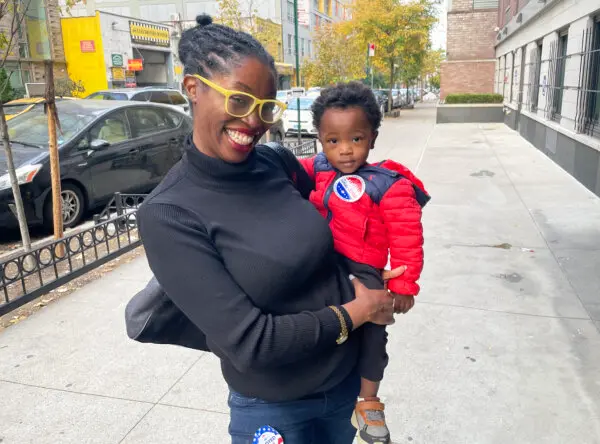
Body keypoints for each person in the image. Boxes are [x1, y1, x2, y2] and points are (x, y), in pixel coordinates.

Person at [137, 14, 406, 444]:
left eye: (265, 107)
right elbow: (251, 343)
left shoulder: (276, 162)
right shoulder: (170, 214)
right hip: (273, 409)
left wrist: (375, 266)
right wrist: (362, 310)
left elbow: (334, 225)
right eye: (240, 101)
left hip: (342, 387)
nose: (254, 122)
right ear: (193, 89)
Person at [299, 82, 430, 444]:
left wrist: (404, 286)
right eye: (333, 141)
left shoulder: (389, 183)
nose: (344, 151)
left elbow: (407, 235)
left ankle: (369, 400)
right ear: (321, 140)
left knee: (373, 331)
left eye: (355, 139)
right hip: (321, 263)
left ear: (372, 137)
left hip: (364, 269)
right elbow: (280, 169)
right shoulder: (317, 169)